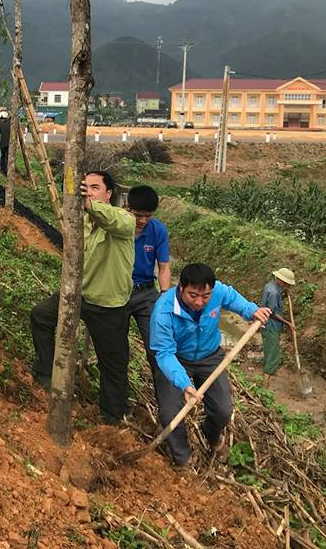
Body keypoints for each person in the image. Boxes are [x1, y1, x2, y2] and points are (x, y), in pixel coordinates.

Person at [30, 170, 135, 424]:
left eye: (95, 187)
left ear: (109, 194)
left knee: (113, 363)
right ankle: (45, 375)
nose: (88, 191)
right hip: (78, 295)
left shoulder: (124, 220)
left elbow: (114, 221)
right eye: (85, 187)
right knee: (41, 316)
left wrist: (89, 205)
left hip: (108, 304)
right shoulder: (81, 222)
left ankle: (111, 416)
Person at [150, 263, 272, 469]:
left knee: (223, 410)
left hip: (210, 356)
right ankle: (182, 458)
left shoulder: (218, 292)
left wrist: (252, 311)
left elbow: (232, 298)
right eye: (193, 295)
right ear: (180, 287)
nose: (199, 302)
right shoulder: (163, 311)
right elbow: (164, 353)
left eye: (205, 296)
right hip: (176, 358)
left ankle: (212, 435)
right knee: (170, 412)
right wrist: (184, 384)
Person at [125, 185, 172, 383]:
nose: (143, 221)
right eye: (138, 216)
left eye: (148, 216)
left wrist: (165, 295)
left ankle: (167, 401)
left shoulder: (158, 230)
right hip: (120, 292)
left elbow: (164, 267)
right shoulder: (117, 225)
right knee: (117, 351)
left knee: (157, 348)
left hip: (146, 294)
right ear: (128, 208)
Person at [262, 267, 295, 388]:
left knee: (268, 349)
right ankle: (265, 385)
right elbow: (272, 312)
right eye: (286, 283)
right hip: (271, 325)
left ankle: (266, 375)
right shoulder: (275, 292)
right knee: (273, 354)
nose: (286, 286)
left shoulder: (271, 286)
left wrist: (285, 295)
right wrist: (288, 323)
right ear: (280, 279)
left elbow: (273, 303)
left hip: (266, 324)